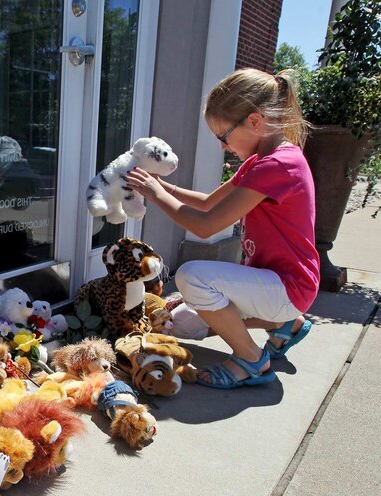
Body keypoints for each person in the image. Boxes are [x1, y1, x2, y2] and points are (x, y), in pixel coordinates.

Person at [125, 68, 318, 389]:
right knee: (180, 326)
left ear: (255, 121)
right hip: (277, 285)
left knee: (192, 277)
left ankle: (251, 360)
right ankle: (286, 323)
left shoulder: (278, 165)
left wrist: (157, 196)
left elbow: (206, 225)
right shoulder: (262, 160)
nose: (223, 147)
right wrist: (161, 186)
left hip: (288, 286)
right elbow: (207, 202)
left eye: (223, 136)